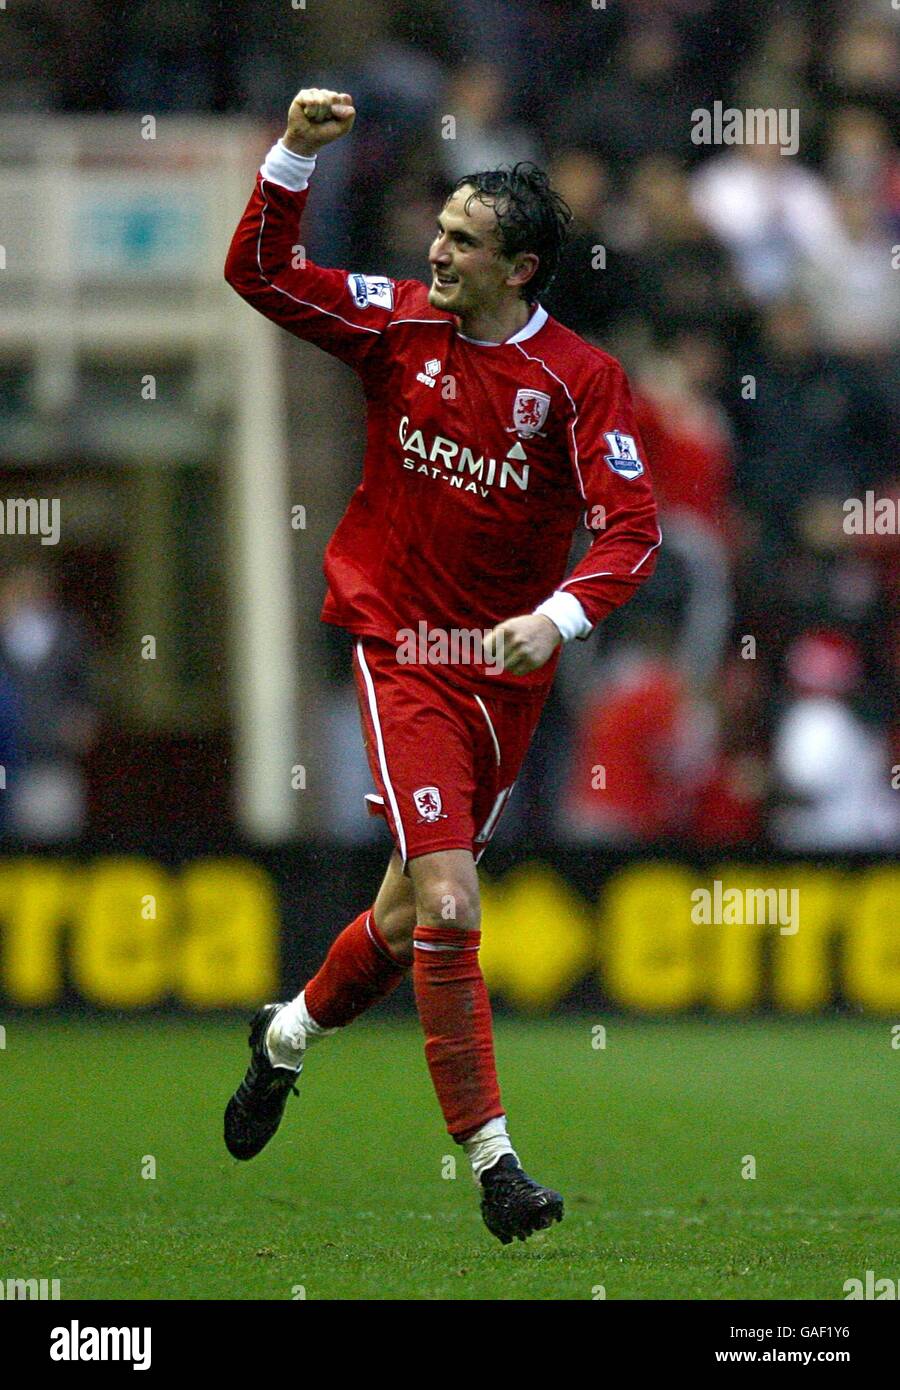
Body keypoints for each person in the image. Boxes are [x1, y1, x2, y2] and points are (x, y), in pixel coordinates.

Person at [222, 87, 660, 1244]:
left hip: (506, 676)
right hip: (402, 645)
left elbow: (634, 530)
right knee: (456, 898)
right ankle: (496, 1168)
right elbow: (261, 277)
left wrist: (558, 618)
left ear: (520, 269)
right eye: (441, 230)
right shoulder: (396, 321)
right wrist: (291, 160)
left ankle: (283, 1040)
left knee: (411, 913)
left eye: (465, 240)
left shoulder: (578, 383)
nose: (438, 250)